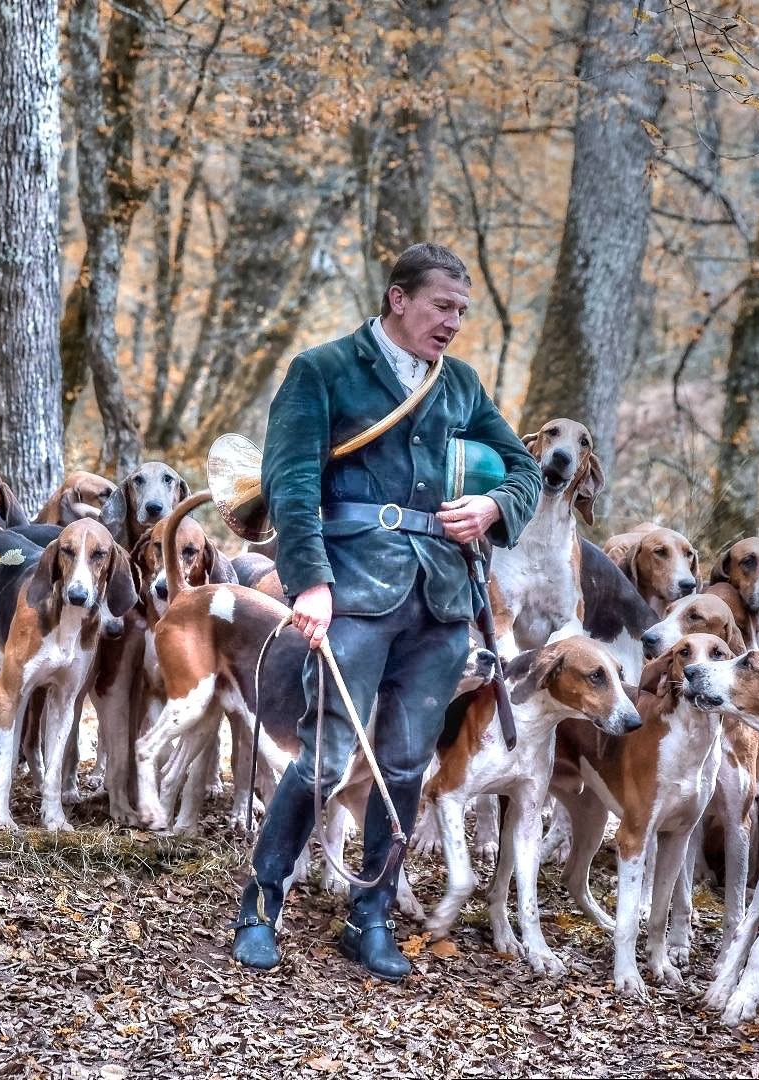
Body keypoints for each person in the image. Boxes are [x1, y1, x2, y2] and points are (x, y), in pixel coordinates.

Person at [230, 243, 542, 980]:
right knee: (328, 758)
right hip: (351, 590)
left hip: (440, 599)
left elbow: (524, 467)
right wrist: (309, 581)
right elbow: (292, 482)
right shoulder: (323, 370)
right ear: (399, 299)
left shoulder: (460, 384)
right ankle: (261, 904)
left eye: (462, 311)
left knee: (404, 764)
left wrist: (495, 504)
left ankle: (368, 916)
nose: (454, 323)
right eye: (443, 307)